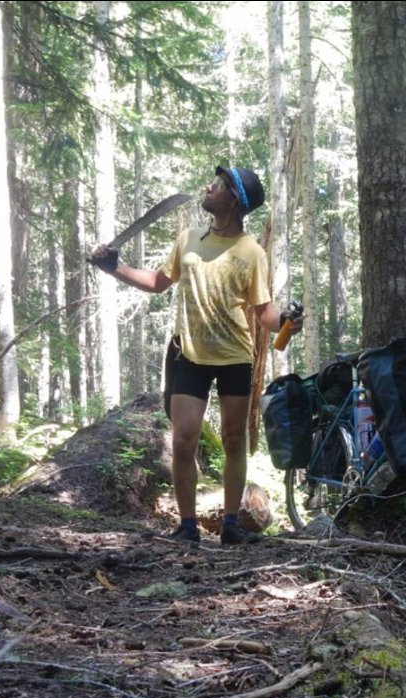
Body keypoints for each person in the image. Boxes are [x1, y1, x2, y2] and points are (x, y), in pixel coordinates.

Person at [90, 165, 302, 544]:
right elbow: (157, 283)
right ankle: (187, 527)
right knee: (184, 440)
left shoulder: (252, 252)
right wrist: (114, 267)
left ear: (235, 200)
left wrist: (286, 320)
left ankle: (232, 526)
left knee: (235, 440)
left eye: (219, 185)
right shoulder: (188, 239)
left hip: (235, 355)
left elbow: (263, 312)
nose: (209, 187)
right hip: (188, 354)